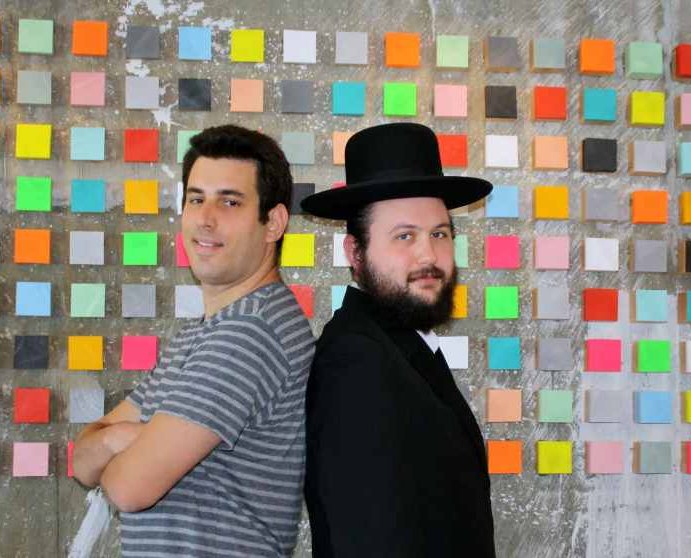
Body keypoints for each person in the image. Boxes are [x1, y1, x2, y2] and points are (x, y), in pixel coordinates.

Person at [72, 125, 315, 557]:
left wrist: (132, 444)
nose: (206, 218)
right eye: (196, 199)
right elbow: (81, 462)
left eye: (230, 201)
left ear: (274, 223)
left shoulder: (249, 332)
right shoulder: (204, 332)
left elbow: (129, 488)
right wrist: (116, 439)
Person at [301, 123, 496, 557]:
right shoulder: (356, 360)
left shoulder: (403, 346)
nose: (428, 255)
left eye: (439, 234)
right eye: (404, 236)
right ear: (355, 253)